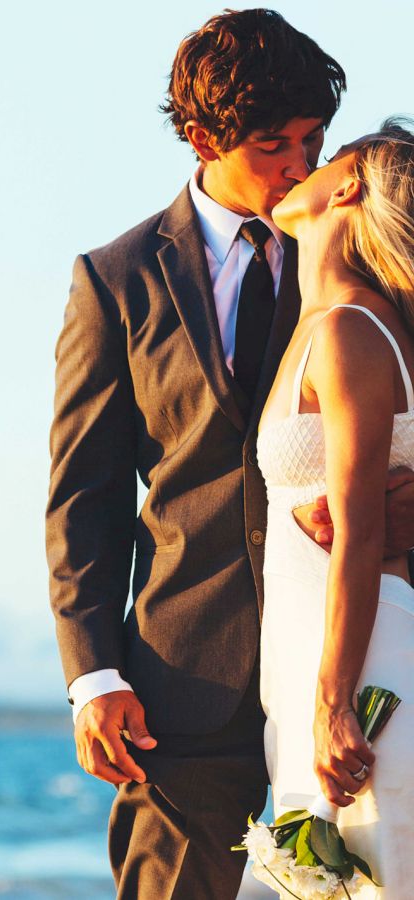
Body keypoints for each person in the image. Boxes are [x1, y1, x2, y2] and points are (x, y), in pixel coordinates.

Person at [46, 10, 414, 898]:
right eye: (272, 143)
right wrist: (93, 674)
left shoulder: (357, 261)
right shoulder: (117, 279)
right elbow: (83, 495)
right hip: (181, 696)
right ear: (204, 137)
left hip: (356, 682)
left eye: (312, 141)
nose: (299, 163)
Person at [257, 119, 414, 896]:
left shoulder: (351, 329)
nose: (301, 168)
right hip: (317, 660)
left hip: (363, 670)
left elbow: (357, 531)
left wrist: (333, 705)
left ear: (347, 185)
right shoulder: (323, 326)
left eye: (327, 155)